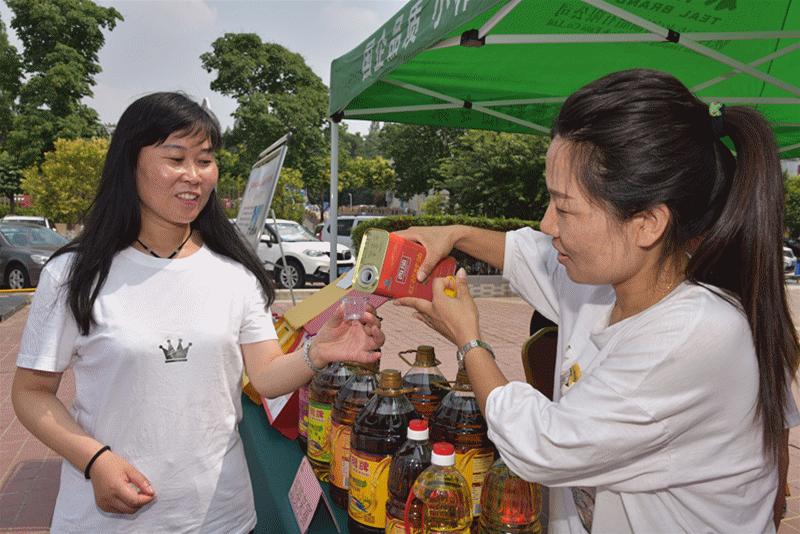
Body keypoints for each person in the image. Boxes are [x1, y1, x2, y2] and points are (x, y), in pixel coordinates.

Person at [395, 69, 799, 533]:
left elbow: (543, 446)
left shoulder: (694, 335)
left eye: (565, 207)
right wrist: (456, 235)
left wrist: (470, 342)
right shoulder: (603, 277)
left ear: (647, 223)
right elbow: (525, 252)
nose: (549, 225)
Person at [10, 92, 383, 533]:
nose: (194, 176)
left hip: (221, 516)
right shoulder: (75, 274)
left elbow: (264, 376)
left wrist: (318, 352)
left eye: (205, 160)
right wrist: (94, 460)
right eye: (176, 158)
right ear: (130, 163)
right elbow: (31, 393)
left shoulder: (235, 272)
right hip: (104, 521)